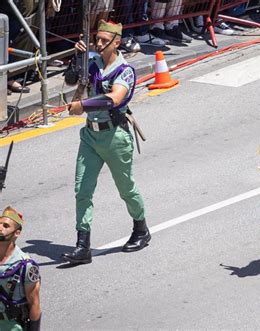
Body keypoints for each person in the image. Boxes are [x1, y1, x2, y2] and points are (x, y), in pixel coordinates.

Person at [62, 20, 151, 265]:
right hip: (90, 135)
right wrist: (77, 59)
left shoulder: (125, 71)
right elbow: (72, 81)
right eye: (96, 40)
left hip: (115, 137)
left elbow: (114, 98)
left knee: (126, 188)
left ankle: (141, 229)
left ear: (117, 43)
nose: (98, 44)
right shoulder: (92, 62)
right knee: (82, 190)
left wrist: (83, 105)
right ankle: (83, 246)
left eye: (103, 40)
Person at [0, 206, 41, 330]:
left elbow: (34, 303)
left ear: (17, 233)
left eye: (6, 226)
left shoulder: (26, 266)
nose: (0, 228)